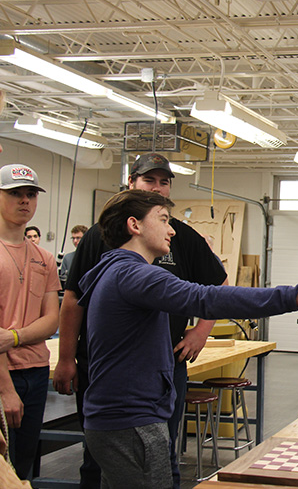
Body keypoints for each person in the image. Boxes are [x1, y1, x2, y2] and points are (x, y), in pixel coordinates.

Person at [79, 189, 298, 489]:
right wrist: (293, 295)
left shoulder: (114, 271)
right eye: (163, 219)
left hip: (115, 421)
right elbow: (206, 297)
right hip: (132, 424)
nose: (172, 229)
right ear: (134, 225)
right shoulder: (134, 275)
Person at [52, 153, 226, 489]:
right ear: (131, 183)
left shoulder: (181, 236)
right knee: (96, 457)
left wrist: (201, 332)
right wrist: (65, 358)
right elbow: (73, 300)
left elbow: (217, 287)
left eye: (164, 182)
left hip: (165, 364)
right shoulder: (99, 237)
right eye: (150, 181)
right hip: (103, 365)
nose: (158, 188)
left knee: (161, 451)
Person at [0, 164, 60, 479]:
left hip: (35, 373)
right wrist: (6, 389)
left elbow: (51, 321)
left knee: (22, 467)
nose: (24, 200)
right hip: (3, 375)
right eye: (14, 193)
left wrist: (13, 337)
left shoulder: (44, 258)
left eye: (30, 194)